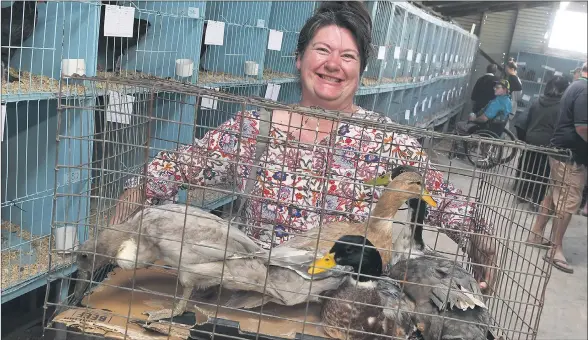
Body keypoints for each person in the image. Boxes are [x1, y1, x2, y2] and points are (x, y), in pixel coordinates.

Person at [108, 1, 497, 291]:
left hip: (344, 300)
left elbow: (444, 201)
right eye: (322, 50)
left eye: (348, 56)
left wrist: (481, 247)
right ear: (299, 59)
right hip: (255, 288)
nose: (333, 64)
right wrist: (118, 225)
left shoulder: (388, 141)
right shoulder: (254, 128)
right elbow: (170, 170)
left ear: (360, 70)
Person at [527, 62, 587, 274]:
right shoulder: (584, 90)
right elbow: (582, 127)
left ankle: (536, 233)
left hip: (561, 151)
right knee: (568, 201)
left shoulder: (576, 86)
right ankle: (555, 249)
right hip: (571, 156)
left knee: (554, 195)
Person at [514, 76, 570, 207]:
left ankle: (522, 194)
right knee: (542, 173)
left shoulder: (536, 101)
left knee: (527, 168)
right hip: (548, 145)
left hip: (531, 140)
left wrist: (525, 138)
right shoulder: (562, 107)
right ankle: (536, 200)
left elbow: (523, 121)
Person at [504, 61, 523, 130]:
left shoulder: (512, 78)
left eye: (507, 68)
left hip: (508, 104)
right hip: (512, 104)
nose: (505, 70)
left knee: (504, 124)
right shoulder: (517, 78)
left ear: (512, 69)